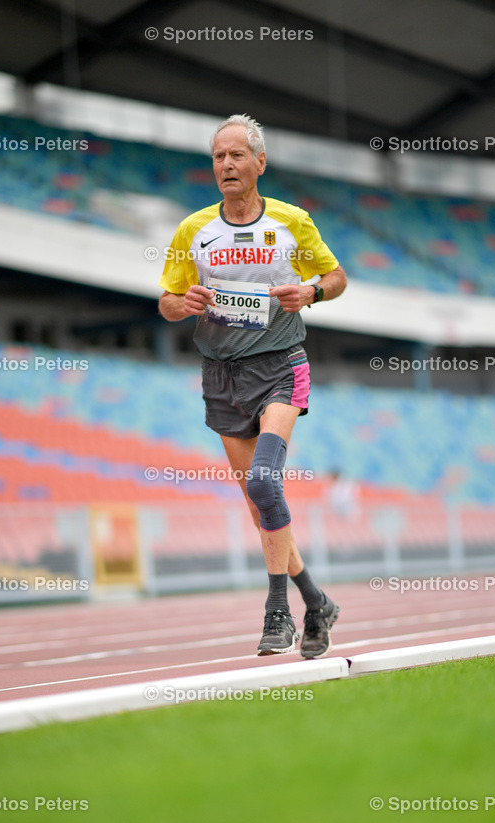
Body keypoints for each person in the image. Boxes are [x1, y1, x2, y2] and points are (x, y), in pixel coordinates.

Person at [158, 114, 347, 658]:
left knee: (265, 482)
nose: (226, 165)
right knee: (256, 501)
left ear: (259, 163)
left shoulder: (292, 222)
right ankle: (317, 601)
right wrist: (183, 303)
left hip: (280, 364)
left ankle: (276, 614)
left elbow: (336, 278)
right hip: (221, 375)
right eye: (218, 157)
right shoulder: (194, 230)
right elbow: (167, 300)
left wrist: (310, 292)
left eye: (236, 155)